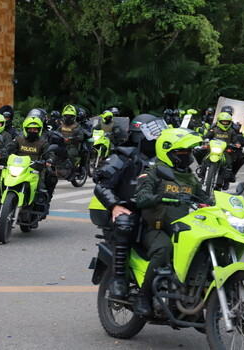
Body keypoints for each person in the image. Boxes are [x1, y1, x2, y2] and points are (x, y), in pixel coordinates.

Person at [133, 127, 213, 316]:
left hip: (183, 229)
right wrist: (159, 198)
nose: (188, 156)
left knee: (204, 251)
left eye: (189, 152)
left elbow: (205, 199)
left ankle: (198, 301)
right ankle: (142, 296)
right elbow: (140, 198)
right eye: (183, 152)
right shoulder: (153, 172)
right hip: (155, 228)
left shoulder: (189, 177)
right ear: (168, 152)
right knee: (165, 249)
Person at [91, 114, 167, 299]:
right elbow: (102, 185)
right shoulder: (124, 155)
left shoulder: (164, 158)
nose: (158, 137)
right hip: (129, 209)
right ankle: (119, 278)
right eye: (154, 133)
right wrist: (115, 206)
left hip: (157, 211)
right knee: (125, 222)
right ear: (139, 134)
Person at [7, 115, 58, 199]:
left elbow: (50, 153)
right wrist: (3, 152)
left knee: (41, 186)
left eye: (35, 129)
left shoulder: (43, 142)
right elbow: (10, 148)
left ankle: (42, 202)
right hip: (18, 167)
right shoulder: (19, 139)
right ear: (25, 129)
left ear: (39, 130)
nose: (32, 131)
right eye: (30, 129)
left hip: (35, 169)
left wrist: (50, 160)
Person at [199, 112, 244, 189]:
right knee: (204, 159)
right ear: (219, 121)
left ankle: (226, 181)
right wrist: (204, 140)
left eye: (227, 122)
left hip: (225, 151)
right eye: (223, 121)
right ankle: (203, 175)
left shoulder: (231, 131)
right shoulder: (214, 130)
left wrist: (237, 144)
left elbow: (235, 140)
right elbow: (206, 137)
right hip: (213, 150)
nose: (225, 123)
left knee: (228, 164)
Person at [60, 105, 86, 172]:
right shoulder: (61, 124)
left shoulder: (76, 125)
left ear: (73, 117)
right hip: (61, 145)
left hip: (72, 146)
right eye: (66, 116)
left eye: (70, 116)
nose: (68, 118)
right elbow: (55, 132)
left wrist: (75, 138)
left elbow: (81, 136)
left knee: (70, 154)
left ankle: (73, 170)